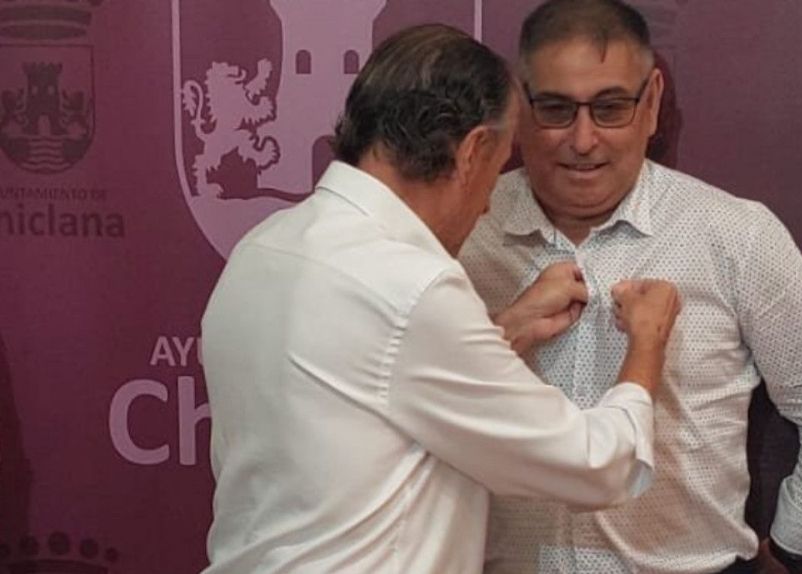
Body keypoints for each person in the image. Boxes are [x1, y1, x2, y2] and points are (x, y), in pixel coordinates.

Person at [200, 23, 682, 574]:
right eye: (497, 172)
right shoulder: (413, 285)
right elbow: (595, 465)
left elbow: (369, 387)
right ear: (473, 152)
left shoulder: (262, 248)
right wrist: (647, 345)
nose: (487, 207)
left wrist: (507, 329)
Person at [458, 1, 802, 573]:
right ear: (520, 102)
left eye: (611, 108)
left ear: (652, 103)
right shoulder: (464, 234)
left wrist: (796, 550)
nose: (583, 140)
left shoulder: (732, 235)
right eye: (556, 109)